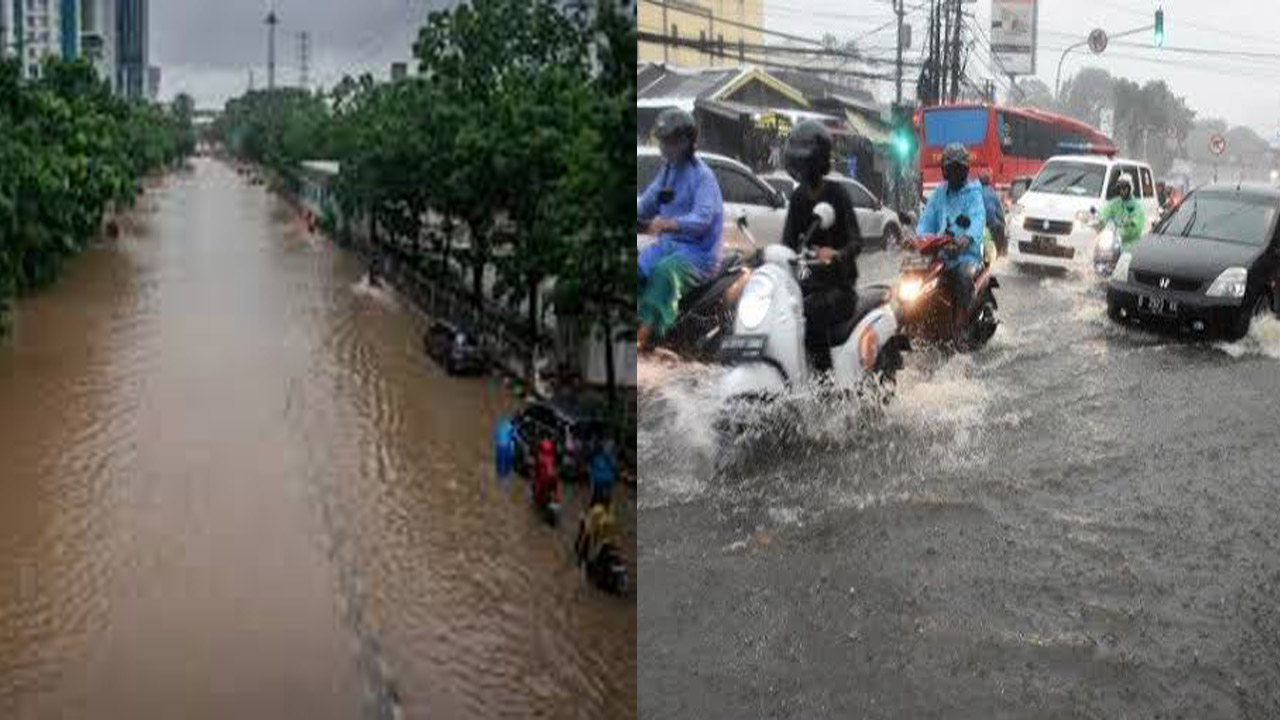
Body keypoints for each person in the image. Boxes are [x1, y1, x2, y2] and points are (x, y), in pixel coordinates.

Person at [637, 108, 724, 352]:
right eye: (661, 140)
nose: (664, 147)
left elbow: (703, 218)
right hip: (668, 247)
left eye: (669, 141)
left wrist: (669, 223)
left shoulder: (702, 176)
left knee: (664, 274)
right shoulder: (667, 172)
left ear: (685, 142)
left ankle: (641, 340)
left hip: (699, 254)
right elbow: (646, 204)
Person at [779, 120, 862, 369]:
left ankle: (823, 383)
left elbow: (856, 242)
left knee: (811, 313)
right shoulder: (797, 199)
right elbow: (788, 242)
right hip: (806, 284)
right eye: (799, 163)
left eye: (806, 162)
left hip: (839, 288)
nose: (803, 169)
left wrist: (836, 254)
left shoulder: (837, 194)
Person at [915, 143, 986, 320]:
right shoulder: (939, 193)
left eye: (957, 169)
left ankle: (963, 324)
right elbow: (926, 221)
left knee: (962, 278)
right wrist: (916, 239)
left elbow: (977, 220)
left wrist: (966, 239)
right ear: (944, 171)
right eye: (950, 169)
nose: (953, 173)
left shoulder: (973, 194)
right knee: (913, 275)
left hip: (965, 256)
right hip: (940, 254)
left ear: (964, 171)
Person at [1099, 174, 1146, 250]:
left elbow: (1138, 225)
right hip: (1113, 242)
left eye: (1124, 188)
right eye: (1120, 188)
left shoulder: (1136, 206)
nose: (1122, 191)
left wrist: (1130, 225)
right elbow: (1104, 212)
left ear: (1130, 188)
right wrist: (1100, 220)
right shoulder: (1115, 203)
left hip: (1130, 245)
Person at [978, 172, 1005, 255]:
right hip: (993, 225)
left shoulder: (977, 192)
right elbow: (990, 211)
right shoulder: (990, 192)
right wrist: (994, 225)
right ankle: (1000, 252)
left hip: (981, 224)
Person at [588, 439, 618, 506]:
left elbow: (590, 469)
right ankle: (606, 504)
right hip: (608, 480)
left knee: (597, 491)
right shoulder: (609, 457)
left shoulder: (594, 457)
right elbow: (614, 467)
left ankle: (594, 503)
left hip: (597, 480)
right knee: (606, 493)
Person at [533, 439, 560, 510]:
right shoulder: (551, 458)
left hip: (546, 480)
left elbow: (537, 470)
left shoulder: (541, 458)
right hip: (551, 479)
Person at [494, 417, 515, 483]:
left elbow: (497, 434)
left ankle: (500, 473)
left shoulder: (502, 425)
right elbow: (514, 437)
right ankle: (505, 475)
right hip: (505, 446)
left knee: (500, 460)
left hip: (499, 445)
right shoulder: (511, 428)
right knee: (507, 461)